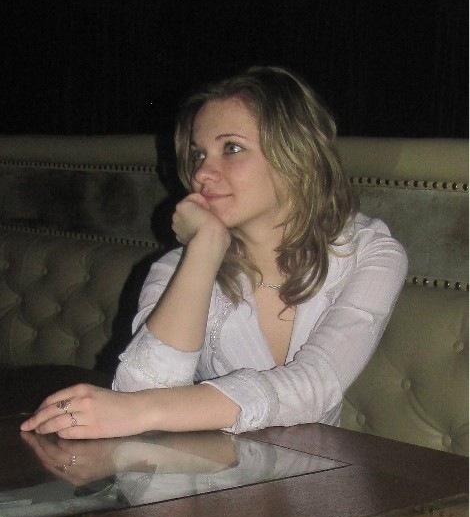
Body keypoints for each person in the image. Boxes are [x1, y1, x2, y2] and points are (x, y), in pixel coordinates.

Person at [21, 65, 408, 440]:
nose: (202, 173)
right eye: (198, 155)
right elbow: (139, 389)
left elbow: (315, 387)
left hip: (319, 473)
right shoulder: (180, 267)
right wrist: (205, 247)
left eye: (232, 148)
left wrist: (142, 410)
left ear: (297, 156)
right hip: (210, 470)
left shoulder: (368, 253)